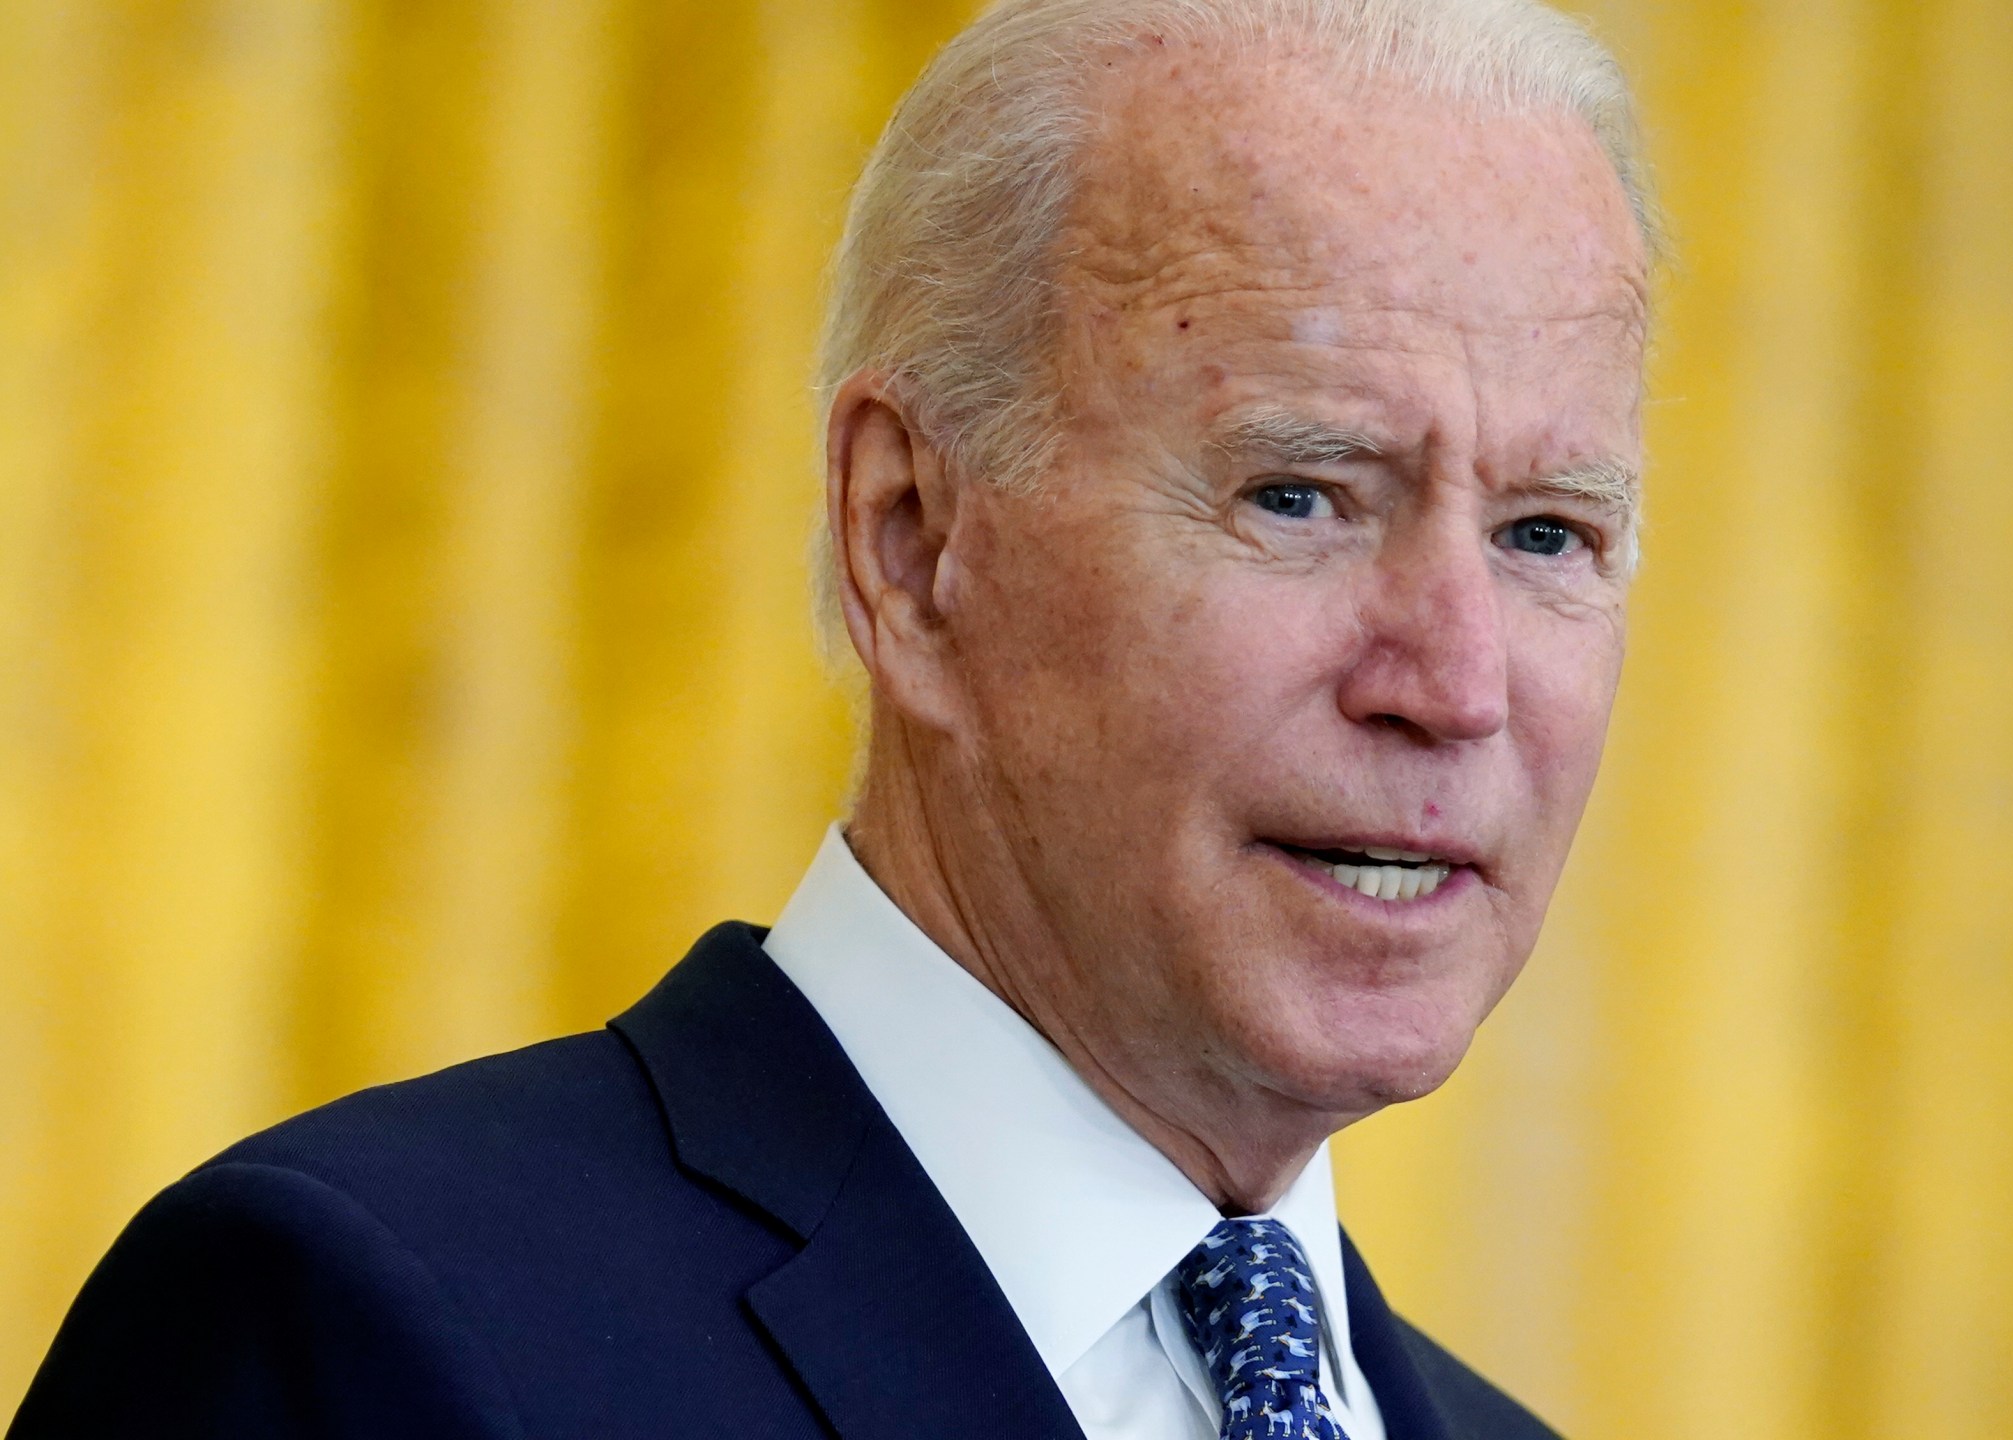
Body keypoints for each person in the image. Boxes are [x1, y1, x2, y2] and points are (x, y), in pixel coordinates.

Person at [11, 0, 1655, 1435]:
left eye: (1546, 537)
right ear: (913, 539)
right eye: (1300, 495)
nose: (1454, 686)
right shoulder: (370, 1336)